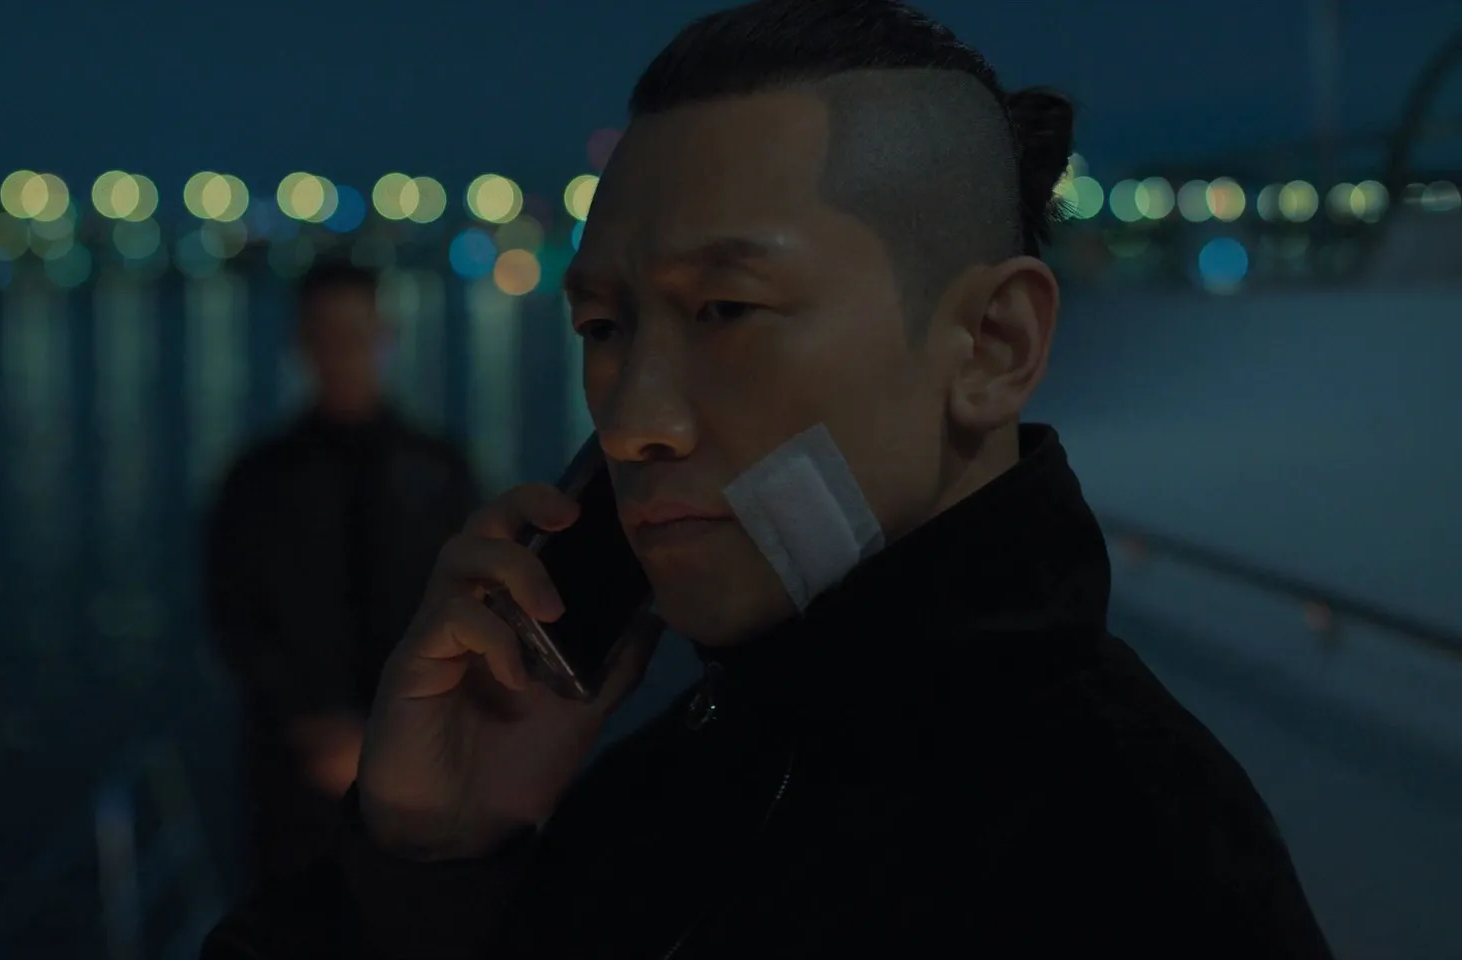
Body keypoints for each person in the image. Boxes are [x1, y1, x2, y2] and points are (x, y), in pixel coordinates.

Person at [204, 1, 1335, 956]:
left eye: (726, 310)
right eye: (602, 327)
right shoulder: (668, 779)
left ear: (994, 345)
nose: (631, 423)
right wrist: (428, 865)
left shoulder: (1141, 866)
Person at [204, 259, 482, 890]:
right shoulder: (256, 482)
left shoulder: (440, 472)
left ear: (384, 337)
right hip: (294, 776)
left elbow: (476, 605)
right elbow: (232, 616)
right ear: (301, 344)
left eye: (356, 335)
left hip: (422, 767)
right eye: (326, 337)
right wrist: (309, 725)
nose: (343, 354)